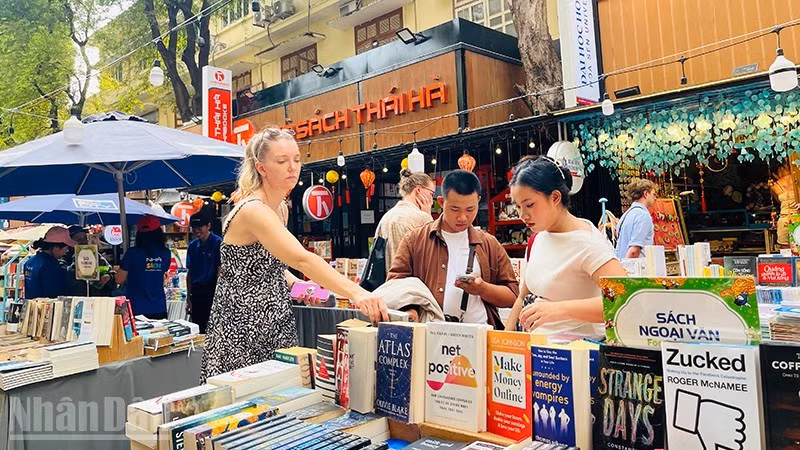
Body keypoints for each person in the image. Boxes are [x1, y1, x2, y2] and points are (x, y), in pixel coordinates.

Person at [200, 127, 388, 383]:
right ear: (261, 168)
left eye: (297, 159)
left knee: (281, 398)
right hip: (242, 324)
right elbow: (301, 258)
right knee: (246, 405)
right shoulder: (254, 209)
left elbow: (271, 262)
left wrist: (297, 283)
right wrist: (357, 292)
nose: (292, 167)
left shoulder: (279, 207)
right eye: (282, 161)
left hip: (275, 317)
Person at [505, 156, 627, 335]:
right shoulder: (538, 238)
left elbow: (623, 297)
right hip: (536, 349)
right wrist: (505, 340)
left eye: (529, 205)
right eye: (517, 207)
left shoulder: (587, 243)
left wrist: (558, 310)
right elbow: (523, 296)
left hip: (577, 353)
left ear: (555, 197)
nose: (522, 215)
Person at [388, 170, 518, 328]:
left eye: (470, 209)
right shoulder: (415, 240)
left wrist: (483, 289)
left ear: (478, 201)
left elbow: (513, 296)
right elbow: (395, 287)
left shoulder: (489, 244)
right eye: (455, 209)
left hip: (480, 334)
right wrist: (410, 310)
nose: (463, 217)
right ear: (441, 202)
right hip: (432, 335)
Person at [374, 169, 435, 273]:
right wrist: (428, 216)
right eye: (431, 194)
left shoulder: (387, 216)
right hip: (414, 284)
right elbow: (434, 255)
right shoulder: (422, 217)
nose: (432, 200)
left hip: (388, 283)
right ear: (418, 190)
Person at [115, 215, 171, 319]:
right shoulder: (166, 253)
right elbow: (163, 272)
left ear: (139, 234)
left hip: (136, 307)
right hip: (159, 307)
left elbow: (119, 279)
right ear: (159, 232)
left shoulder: (132, 253)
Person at [186, 213, 222, 334]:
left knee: (214, 328)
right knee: (197, 328)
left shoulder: (218, 243)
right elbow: (189, 273)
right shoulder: (192, 246)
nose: (196, 230)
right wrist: (188, 298)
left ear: (208, 226)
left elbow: (220, 270)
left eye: (200, 226)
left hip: (212, 290)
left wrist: (219, 295)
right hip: (196, 291)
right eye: (194, 226)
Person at [23, 226, 75, 299]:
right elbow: (54, 294)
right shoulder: (51, 266)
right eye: (66, 248)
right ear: (56, 247)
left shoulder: (29, 261)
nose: (66, 251)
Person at [64, 226, 116, 296]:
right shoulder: (64, 258)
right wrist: (78, 259)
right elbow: (66, 276)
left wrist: (109, 277)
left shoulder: (95, 256)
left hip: (97, 299)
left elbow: (108, 270)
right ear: (69, 242)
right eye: (78, 239)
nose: (83, 242)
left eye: (85, 238)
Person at [615, 178, 657, 259]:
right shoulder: (643, 216)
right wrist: (626, 269)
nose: (655, 198)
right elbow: (634, 251)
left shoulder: (626, 215)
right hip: (636, 268)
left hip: (620, 264)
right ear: (646, 194)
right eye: (654, 194)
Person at [771, 163, 799, 249]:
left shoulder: (797, 180)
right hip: (784, 216)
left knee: (797, 245)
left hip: (797, 216)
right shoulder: (775, 186)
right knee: (784, 246)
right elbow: (778, 202)